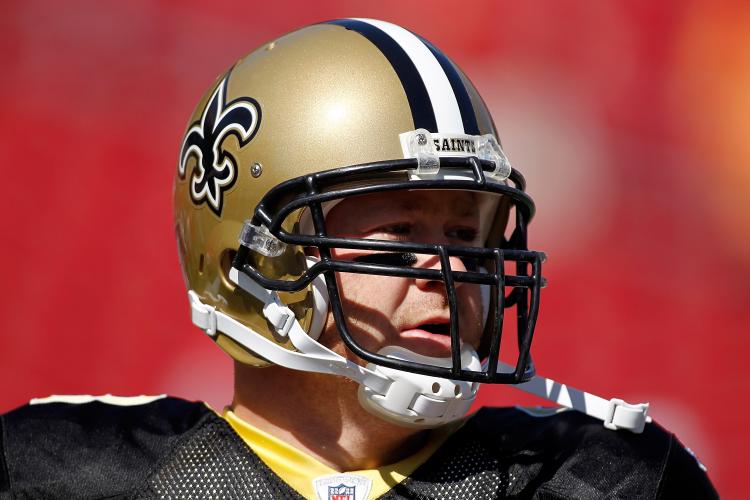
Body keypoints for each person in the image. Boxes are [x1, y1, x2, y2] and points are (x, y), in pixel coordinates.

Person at [0, 18, 717, 499]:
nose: (455, 272)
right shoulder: (60, 473)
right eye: (403, 233)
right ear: (252, 261)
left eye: (469, 238)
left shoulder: (604, 480)